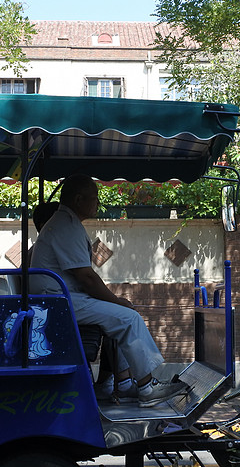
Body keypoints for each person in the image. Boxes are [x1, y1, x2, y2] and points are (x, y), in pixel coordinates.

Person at [29, 174, 187, 407]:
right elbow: (87, 279)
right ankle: (146, 387)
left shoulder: (65, 223)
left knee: (119, 314)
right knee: (129, 317)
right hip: (58, 302)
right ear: (79, 198)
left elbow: (85, 278)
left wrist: (113, 301)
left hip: (60, 299)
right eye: (94, 198)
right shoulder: (66, 226)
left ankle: (121, 384)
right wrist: (115, 300)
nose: (97, 203)